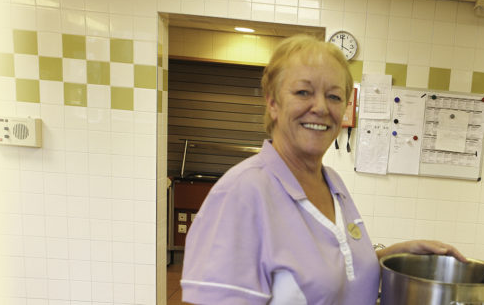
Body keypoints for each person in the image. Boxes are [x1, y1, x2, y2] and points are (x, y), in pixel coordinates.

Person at [180, 34, 467, 305]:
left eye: (334, 96)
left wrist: (397, 256)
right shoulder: (243, 192)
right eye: (303, 92)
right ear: (273, 102)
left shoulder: (333, 184)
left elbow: (331, 273)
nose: (320, 107)